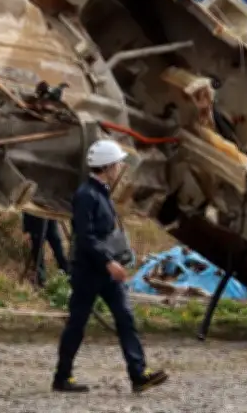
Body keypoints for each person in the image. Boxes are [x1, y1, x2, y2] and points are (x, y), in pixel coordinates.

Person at [52, 139, 168, 394]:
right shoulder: (86, 195)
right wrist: (108, 261)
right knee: (77, 324)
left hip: (106, 271)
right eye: (116, 164)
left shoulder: (101, 192)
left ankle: (138, 375)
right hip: (89, 272)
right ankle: (62, 377)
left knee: (125, 318)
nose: (119, 168)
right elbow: (86, 236)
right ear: (106, 167)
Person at [22, 213, 69, 287]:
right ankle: (41, 279)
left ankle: (67, 272)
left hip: (50, 213)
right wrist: (26, 228)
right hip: (37, 214)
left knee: (56, 242)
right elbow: (26, 206)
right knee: (38, 246)